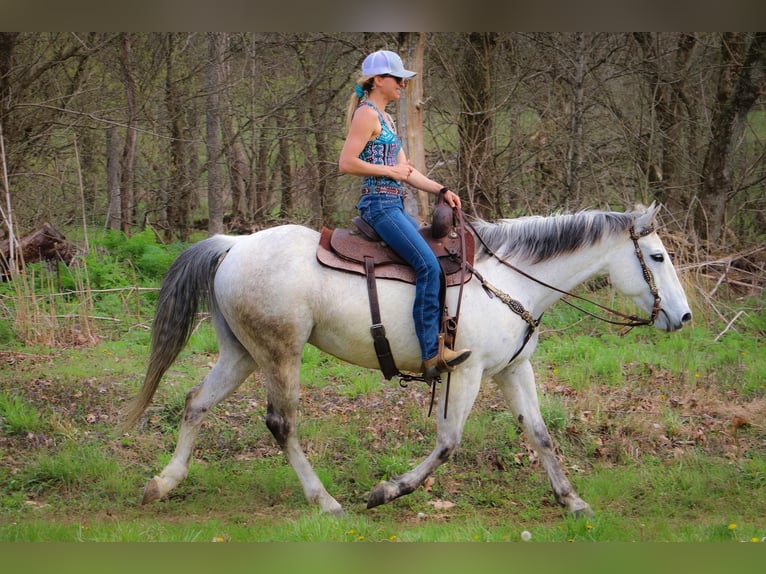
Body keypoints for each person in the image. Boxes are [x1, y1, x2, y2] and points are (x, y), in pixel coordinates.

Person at [338, 49, 471, 378]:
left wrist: (441, 189)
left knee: (432, 260)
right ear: (378, 80)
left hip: (395, 204)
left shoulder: (387, 118)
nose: (402, 84)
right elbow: (347, 163)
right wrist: (389, 172)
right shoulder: (366, 115)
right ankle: (430, 353)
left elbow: (407, 171)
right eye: (397, 79)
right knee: (427, 265)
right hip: (379, 206)